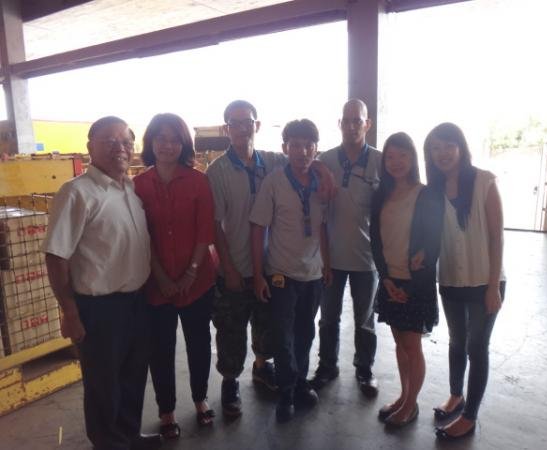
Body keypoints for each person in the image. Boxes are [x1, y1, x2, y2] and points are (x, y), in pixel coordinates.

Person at [206, 100, 334, 418]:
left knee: (268, 329)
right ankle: (230, 382)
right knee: (231, 330)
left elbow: (304, 157)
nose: (242, 128)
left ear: (257, 125)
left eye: (247, 122)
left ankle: (263, 368)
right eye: (235, 123)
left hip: (270, 266)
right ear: (226, 129)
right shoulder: (217, 171)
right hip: (236, 265)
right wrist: (228, 267)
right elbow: (214, 225)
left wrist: (322, 170)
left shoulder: (272, 160)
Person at [43, 116, 161, 450]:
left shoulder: (131, 189)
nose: (119, 148)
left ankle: (128, 436)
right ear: (90, 147)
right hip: (98, 308)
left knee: (133, 375)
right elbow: (56, 256)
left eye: (125, 141)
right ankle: (108, 443)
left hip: (136, 301)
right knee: (103, 384)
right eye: (109, 141)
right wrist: (70, 312)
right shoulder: (76, 193)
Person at [133, 113, 216, 439]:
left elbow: (205, 232)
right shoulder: (138, 185)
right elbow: (143, 237)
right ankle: (166, 410)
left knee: (199, 343)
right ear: (151, 143)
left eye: (174, 139)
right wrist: (163, 279)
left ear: (184, 145)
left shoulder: (198, 181)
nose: (167, 145)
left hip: (198, 281)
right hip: (157, 286)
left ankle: (200, 399)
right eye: (161, 139)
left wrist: (190, 273)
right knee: (160, 349)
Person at [423, 122, 506, 440]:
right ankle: (456, 395)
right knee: (456, 341)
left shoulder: (484, 181)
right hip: (450, 280)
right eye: (435, 148)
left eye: (448, 145)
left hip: (484, 280)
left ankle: (469, 416)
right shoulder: (434, 189)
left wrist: (493, 286)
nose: (443, 153)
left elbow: (497, 237)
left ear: (460, 147)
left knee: (476, 346)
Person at [250, 119, 331, 423]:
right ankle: (285, 392)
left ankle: (299, 383)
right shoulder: (274, 182)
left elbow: (323, 227)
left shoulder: (322, 182)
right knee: (283, 336)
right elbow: (258, 228)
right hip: (281, 273)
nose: (302, 151)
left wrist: (327, 263)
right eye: (295, 145)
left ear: (316, 148)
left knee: (305, 333)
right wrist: (258, 274)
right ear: (285, 148)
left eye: (308, 145)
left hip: (313, 273)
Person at [369, 132, 444, 428]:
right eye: (390, 156)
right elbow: (375, 240)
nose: (396, 161)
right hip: (390, 281)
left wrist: (409, 287)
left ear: (412, 158)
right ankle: (404, 396)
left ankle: (411, 405)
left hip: (416, 284)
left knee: (412, 346)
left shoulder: (426, 195)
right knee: (400, 344)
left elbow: (432, 246)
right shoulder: (381, 195)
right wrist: (386, 278)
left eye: (402, 155)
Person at [310, 98, 382, 396]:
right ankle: (327, 366)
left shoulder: (380, 161)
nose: (352, 126)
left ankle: (365, 369)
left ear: (368, 124)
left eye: (358, 120)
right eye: (347, 120)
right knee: (328, 317)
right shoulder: (326, 160)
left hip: (367, 258)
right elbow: (305, 167)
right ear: (339, 124)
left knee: (365, 320)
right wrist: (317, 165)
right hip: (332, 257)